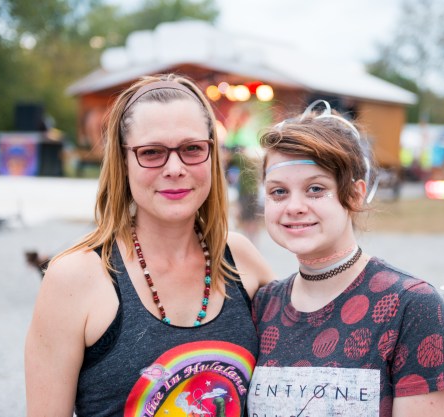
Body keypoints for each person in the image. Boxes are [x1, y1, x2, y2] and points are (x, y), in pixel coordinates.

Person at [25, 74, 276, 417]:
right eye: (152, 152)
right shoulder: (74, 278)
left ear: (211, 154)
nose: (174, 168)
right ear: (123, 161)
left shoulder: (241, 258)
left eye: (191, 149)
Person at [247, 101, 444, 417]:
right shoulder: (262, 305)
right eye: (278, 192)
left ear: (355, 194)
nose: (294, 206)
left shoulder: (410, 305)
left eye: (315, 189)